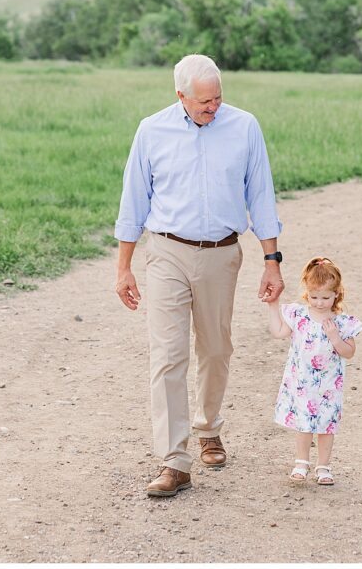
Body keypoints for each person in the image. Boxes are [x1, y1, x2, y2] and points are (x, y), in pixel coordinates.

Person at [114, 54, 284, 497]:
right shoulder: (152, 130)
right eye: (205, 101)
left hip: (221, 254)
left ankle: (208, 426)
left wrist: (272, 261)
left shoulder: (244, 127)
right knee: (168, 355)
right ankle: (174, 460)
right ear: (181, 96)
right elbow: (134, 199)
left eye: (218, 97)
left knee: (215, 348)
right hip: (167, 251)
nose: (214, 106)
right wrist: (123, 267)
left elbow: (261, 195)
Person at [265, 257, 362, 486]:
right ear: (307, 293)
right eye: (314, 297)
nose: (319, 303)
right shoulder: (299, 316)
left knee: (327, 424)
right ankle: (301, 462)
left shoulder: (342, 322)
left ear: (336, 294)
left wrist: (335, 337)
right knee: (304, 422)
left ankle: (323, 466)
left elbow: (349, 353)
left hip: (329, 384)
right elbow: (279, 332)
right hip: (302, 381)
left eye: (325, 297)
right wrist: (272, 305)